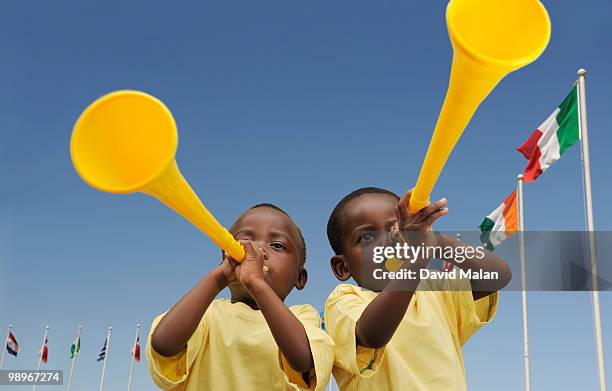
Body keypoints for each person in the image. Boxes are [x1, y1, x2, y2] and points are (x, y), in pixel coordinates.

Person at [324, 187, 511, 390]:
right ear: (342, 267)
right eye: (366, 238)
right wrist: (419, 256)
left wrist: (435, 242)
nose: (386, 244)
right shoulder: (343, 301)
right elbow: (373, 335)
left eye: (395, 230)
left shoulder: (434, 289)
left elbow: (498, 276)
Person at [147, 203, 334, 390]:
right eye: (243, 242)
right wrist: (219, 278)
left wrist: (256, 283)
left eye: (277, 246)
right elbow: (162, 344)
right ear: (225, 257)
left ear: (299, 278)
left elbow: (303, 359)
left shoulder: (302, 316)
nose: (257, 251)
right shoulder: (206, 315)